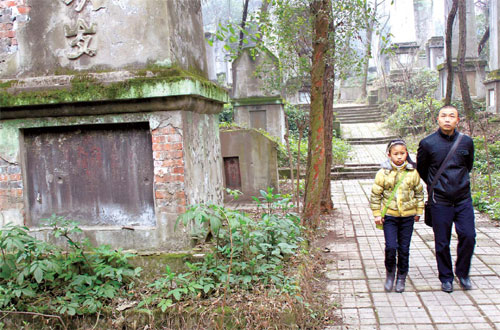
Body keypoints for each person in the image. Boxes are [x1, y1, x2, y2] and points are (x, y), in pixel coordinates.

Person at [417, 105, 475, 293]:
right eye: (444, 116)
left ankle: (463, 273)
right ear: (438, 119)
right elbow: (422, 169)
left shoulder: (466, 142)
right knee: (442, 241)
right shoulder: (427, 143)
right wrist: (437, 185)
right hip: (440, 199)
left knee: (468, 236)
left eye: (452, 116)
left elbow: (468, 165)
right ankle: (446, 277)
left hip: (463, 198)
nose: (447, 119)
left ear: (458, 120)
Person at [370, 139, 424, 293]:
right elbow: (375, 195)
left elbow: (419, 193)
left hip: (407, 216)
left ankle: (402, 276)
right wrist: (376, 214)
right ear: (389, 155)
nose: (399, 157)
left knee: (404, 248)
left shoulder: (412, 173)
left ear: (407, 154)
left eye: (402, 153)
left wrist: (419, 211)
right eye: (396, 154)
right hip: (390, 216)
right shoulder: (383, 173)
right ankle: (390, 274)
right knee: (391, 246)